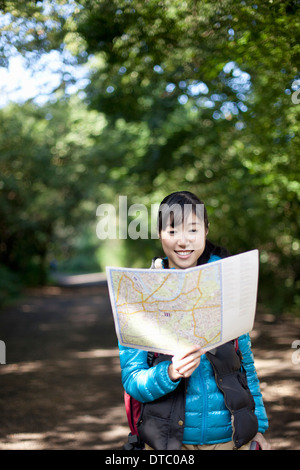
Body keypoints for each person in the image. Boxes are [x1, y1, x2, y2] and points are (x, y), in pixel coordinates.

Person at [119, 191, 271, 450]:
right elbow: (133, 381)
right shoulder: (140, 295)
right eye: (172, 231)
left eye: (192, 230)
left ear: (206, 230)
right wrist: (170, 373)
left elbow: (245, 364)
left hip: (231, 440)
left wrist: (258, 428)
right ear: (159, 234)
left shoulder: (226, 285)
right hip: (171, 444)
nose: (183, 241)